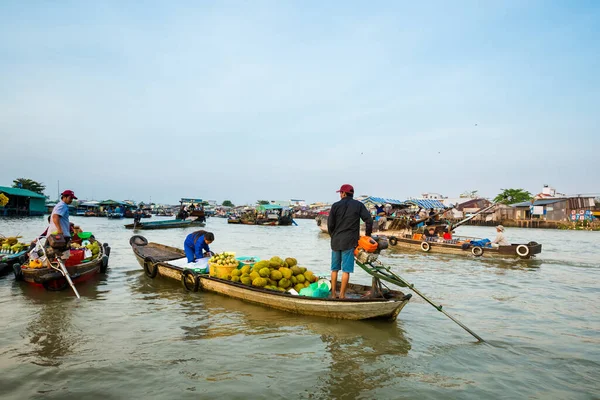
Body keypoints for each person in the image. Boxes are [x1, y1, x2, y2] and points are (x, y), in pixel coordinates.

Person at [327, 184, 373, 299]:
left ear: (343, 193)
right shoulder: (358, 205)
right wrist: (367, 236)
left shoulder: (335, 206)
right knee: (346, 271)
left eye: (340, 193)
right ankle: (342, 295)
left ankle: (333, 294)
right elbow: (369, 220)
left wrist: (333, 236)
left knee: (334, 269)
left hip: (336, 241)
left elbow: (330, 224)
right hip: (349, 242)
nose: (340, 195)